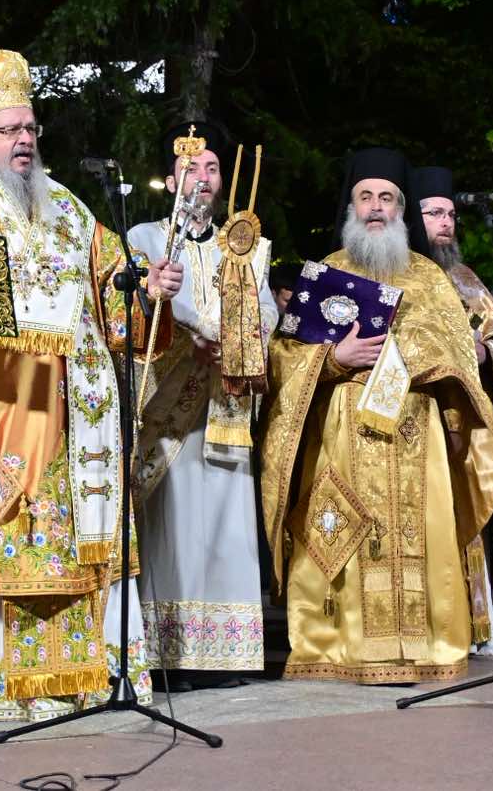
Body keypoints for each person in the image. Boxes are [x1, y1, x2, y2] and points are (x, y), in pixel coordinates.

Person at [0, 44, 182, 722]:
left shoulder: (70, 209)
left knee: (79, 544)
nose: (25, 140)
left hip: (78, 418)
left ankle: (86, 678)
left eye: (30, 128)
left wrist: (147, 290)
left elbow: (113, 297)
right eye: (10, 130)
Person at [259, 148, 493, 683]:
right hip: (341, 432)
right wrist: (333, 358)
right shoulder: (325, 273)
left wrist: (408, 360)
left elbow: (459, 357)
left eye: (386, 198)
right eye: (365, 197)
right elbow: (282, 358)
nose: (376, 207)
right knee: (337, 536)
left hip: (417, 432)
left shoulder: (430, 279)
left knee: (423, 537)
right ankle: (336, 648)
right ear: (351, 207)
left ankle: (428, 645)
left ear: (401, 209)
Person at [129, 119, 275, 682]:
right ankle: (169, 655)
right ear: (172, 181)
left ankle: (227, 656)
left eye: (212, 168)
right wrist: (185, 326)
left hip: (225, 401)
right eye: (192, 168)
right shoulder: (144, 239)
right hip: (168, 408)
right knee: (173, 528)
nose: (204, 178)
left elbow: (266, 310)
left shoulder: (244, 245)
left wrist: (241, 340)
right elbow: (129, 312)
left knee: (226, 526)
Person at [413, 165, 493, 652]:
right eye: (434, 213)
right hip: (416, 416)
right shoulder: (402, 273)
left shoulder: (467, 280)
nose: (446, 223)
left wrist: (485, 351)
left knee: (463, 519)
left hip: (461, 425)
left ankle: (474, 626)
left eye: (450, 214)